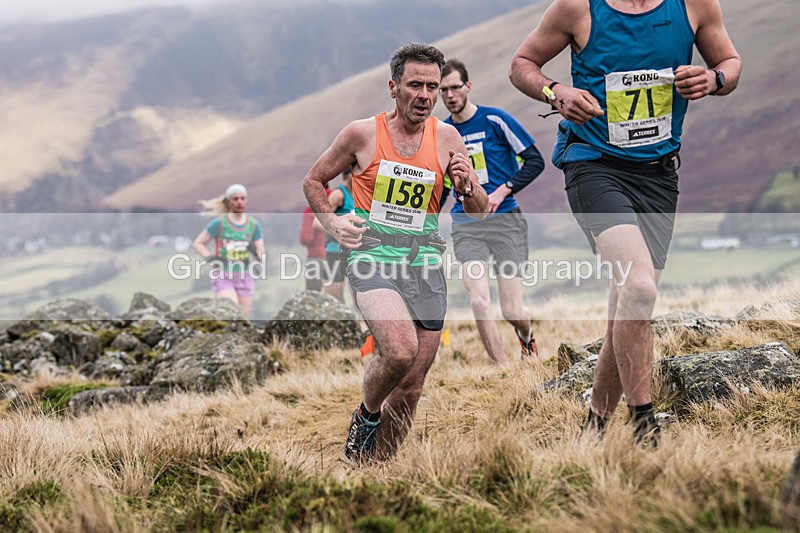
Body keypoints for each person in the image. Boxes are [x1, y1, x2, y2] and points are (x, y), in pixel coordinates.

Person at [509, 0, 741, 446]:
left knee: (627, 305)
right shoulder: (577, 8)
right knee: (638, 289)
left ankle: (594, 425)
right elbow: (522, 64)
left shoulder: (693, 5)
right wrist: (556, 92)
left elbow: (730, 64)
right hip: (593, 164)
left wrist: (714, 79)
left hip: (658, 174)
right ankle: (643, 425)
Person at [302, 43, 488, 462]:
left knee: (412, 385)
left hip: (424, 263)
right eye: (415, 85)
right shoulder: (361, 134)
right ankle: (366, 415)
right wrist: (333, 223)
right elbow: (313, 180)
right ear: (393, 87)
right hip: (372, 258)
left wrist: (467, 186)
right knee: (399, 350)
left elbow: (477, 213)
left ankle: (376, 469)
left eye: (433, 87)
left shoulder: (447, 138)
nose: (425, 95)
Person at [440, 59, 545, 365]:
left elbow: (535, 160)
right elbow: (443, 185)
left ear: (468, 86)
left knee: (511, 311)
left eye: (455, 87)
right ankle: (502, 368)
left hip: (506, 221)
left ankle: (527, 340)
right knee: (478, 300)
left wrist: (503, 190)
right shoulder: (443, 133)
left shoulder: (495, 120)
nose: (449, 95)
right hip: (466, 223)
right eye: (443, 90)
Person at [192, 184, 266, 315]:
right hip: (222, 274)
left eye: (243, 198)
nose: (239, 202)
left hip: (244, 276)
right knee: (230, 311)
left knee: (243, 316)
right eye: (235, 199)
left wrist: (254, 251)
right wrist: (209, 258)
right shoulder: (219, 223)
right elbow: (198, 243)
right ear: (228, 201)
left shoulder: (254, 225)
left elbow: (262, 256)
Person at [320, 166, 355, 302]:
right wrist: (339, 232)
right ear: (347, 175)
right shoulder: (339, 194)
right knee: (334, 301)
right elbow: (317, 223)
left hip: (357, 254)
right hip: (335, 252)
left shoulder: (362, 194)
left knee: (363, 301)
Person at [299, 184, 329, 291]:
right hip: (335, 256)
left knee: (314, 295)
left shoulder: (310, 211)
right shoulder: (337, 204)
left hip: (316, 257)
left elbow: (306, 238)